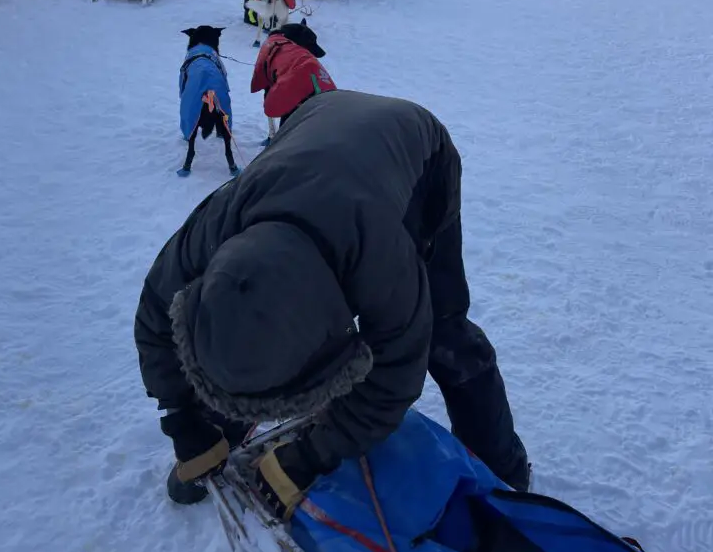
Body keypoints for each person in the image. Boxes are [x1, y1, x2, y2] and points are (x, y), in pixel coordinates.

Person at [134, 91, 529, 514]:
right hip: (317, 119)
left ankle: (502, 472)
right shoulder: (218, 225)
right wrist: (182, 420)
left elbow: (398, 371)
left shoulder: (382, 256)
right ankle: (223, 424)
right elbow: (156, 317)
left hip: (418, 153)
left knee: (444, 335)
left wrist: (311, 457)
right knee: (250, 330)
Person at [250, 19, 336, 127]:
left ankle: (281, 139)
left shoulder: (272, 47)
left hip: (301, 84)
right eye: (310, 44)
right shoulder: (294, 53)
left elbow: (265, 80)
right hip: (317, 90)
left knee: (290, 122)